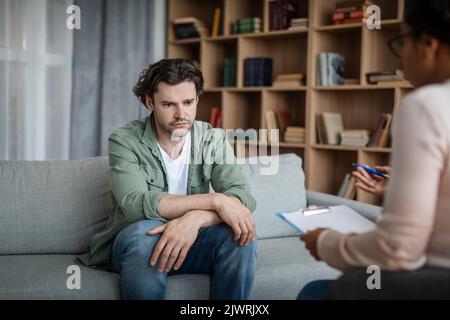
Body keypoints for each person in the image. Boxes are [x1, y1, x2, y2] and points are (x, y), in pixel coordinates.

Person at [298, 0, 450, 299]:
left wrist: (326, 242)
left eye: (402, 41)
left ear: (428, 44)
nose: (402, 59)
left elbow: (398, 250)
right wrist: (398, 186)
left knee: (323, 292)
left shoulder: (428, 104)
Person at [77, 59, 257, 300]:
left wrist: (195, 219)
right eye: (169, 104)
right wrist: (215, 200)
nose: (181, 114)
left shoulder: (212, 139)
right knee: (146, 233)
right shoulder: (124, 140)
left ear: (197, 99)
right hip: (138, 243)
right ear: (150, 102)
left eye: (188, 102)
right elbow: (134, 204)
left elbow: (241, 198)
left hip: (194, 240)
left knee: (240, 234)